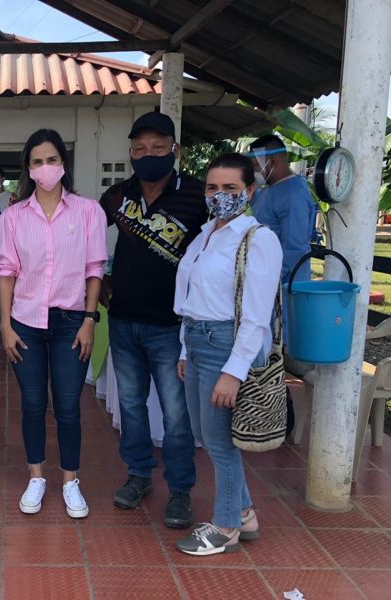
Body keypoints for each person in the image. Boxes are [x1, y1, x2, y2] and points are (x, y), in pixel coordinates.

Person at [100, 111, 208, 529]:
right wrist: (100, 279)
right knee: (131, 407)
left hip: (171, 326)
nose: (148, 154)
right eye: (140, 148)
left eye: (158, 148)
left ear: (174, 150)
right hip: (123, 321)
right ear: (131, 152)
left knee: (176, 414)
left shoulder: (197, 195)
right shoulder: (117, 196)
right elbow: (83, 234)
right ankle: (139, 475)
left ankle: (180, 490)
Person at [0, 129, 107, 518]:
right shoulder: (12, 217)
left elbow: (94, 269)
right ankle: (36, 476)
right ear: (28, 169)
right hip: (25, 322)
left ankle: (70, 480)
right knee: (32, 403)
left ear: (64, 163)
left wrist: (89, 319)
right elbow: (6, 272)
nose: (45, 168)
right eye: (37, 161)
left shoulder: (88, 211)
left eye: (52, 160)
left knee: (68, 406)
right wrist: (6, 326)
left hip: (71, 322)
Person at [174, 153, 282, 555]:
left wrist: (234, 372)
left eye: (230, 188)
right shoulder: (205, 234)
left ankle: (225, 526)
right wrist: (185, 348)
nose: (219, 195)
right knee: (207, 435)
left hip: (225, 343)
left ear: (249, 191)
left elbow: (256, 316)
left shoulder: (258, 239)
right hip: (196, 339)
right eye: (212, 187)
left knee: (220, 443)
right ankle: (245, 513)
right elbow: (192, 297)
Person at [248, 134, 317, 285]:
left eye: (255, 166)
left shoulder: (293, 195)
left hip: (285, 283)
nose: (253, 172)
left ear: (273, 161)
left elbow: (294, 249)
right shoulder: (270, 189)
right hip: (265, 275)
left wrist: (269, 279)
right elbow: (260, 208)